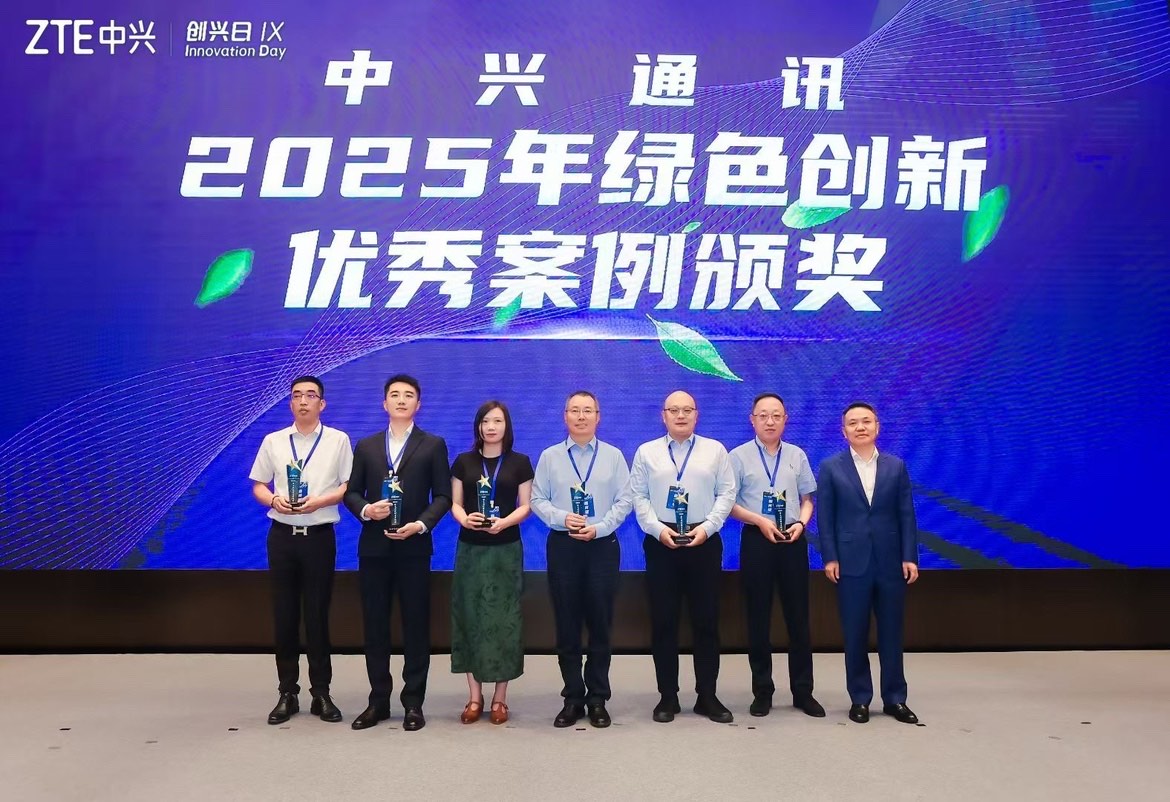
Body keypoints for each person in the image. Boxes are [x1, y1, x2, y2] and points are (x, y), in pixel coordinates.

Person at [345, 375, 451, 732]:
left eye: (408, 395)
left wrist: (420, 524)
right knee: (375, 626)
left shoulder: (433, 445)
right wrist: (366, 510)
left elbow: (443, 496)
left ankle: (413, 703)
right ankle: (377, 701)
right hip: (374, 549)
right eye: (394, 395)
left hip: (414, 548)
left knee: (416, 626)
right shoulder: (367, 446)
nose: (401, 400)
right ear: (384, 403)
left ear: (418, 404)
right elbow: (351, 492)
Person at [249, 376, 353, 725]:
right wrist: (273, 499)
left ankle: (321, 692)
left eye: (311, 395)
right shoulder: (274, 440)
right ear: (290, 403)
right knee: (285, 615)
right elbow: (258, 485)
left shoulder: (338, 440)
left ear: (322, 404)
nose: (303, 401)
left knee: (317, 616)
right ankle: (287, 693)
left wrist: (320, 501)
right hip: (282, 537)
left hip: (319, 537)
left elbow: (349, 486)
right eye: (297, 396)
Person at [629, 390, 737, 724]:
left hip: (704, 541)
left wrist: (707, 527)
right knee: (664, 622)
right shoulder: (646, 452)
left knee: (706, 621)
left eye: (687, 410)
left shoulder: (715, 450)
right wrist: (657, 530)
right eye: (673, 410)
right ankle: (668, 697)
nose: (680, 415)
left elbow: (727, 493)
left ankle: (707, 696)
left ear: (696, 414)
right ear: (663, 415)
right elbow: (638, 496)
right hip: (661, 542)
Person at [531, 390, 632, 729]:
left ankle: (598, 698)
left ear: (598, 417)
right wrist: (563, 518)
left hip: (602, 546)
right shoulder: (550, 456)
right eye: (574, 410)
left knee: (600, 623)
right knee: (567, 623)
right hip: (564, 546)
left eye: (588, 411)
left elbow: (625, 500)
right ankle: (573, 697)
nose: (581, 416)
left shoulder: (614, 456)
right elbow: (537, 500)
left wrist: (600, 527)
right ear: (565, 416)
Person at [817, 402, 921, 724]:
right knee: (855, 633)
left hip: (891, 562)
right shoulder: (831, 467)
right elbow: (826, 518)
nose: (860, 427)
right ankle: (860, 698)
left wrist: (909, 556)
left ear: (877, 427)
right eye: (853, 423)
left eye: (866, 421)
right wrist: (830, 556)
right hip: (850, 562)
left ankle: (895, 699)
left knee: (892, 632)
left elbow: (906, 514)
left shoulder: (896, 466)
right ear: (843, 430)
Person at [729, 393, 824, 718]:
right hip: (757, 538)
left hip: (792, 538)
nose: (770, 421)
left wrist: (801, 523)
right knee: (758, 617)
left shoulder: (797, 455)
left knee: (799, 617)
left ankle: (803, 691)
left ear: (785, 420)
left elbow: (808, 499)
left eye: (776, 415)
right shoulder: (738, 456)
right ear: (752, 420)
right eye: (763, 415)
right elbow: (729, 504)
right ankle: (762, 691)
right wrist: (759, 521)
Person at [449, 400, 534, 725]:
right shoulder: (463, 461)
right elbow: (455, 503)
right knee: (470, 617)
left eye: (497, 421)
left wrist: (505, 522)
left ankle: (500, 698)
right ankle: (474, 697)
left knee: (504, 621)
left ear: (506, 426)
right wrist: (464, 519)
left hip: (505, 550)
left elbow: (526, 505)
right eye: (485, 421)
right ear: (478, 426)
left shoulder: (520, 462)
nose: (491, 427)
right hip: (470, 550)